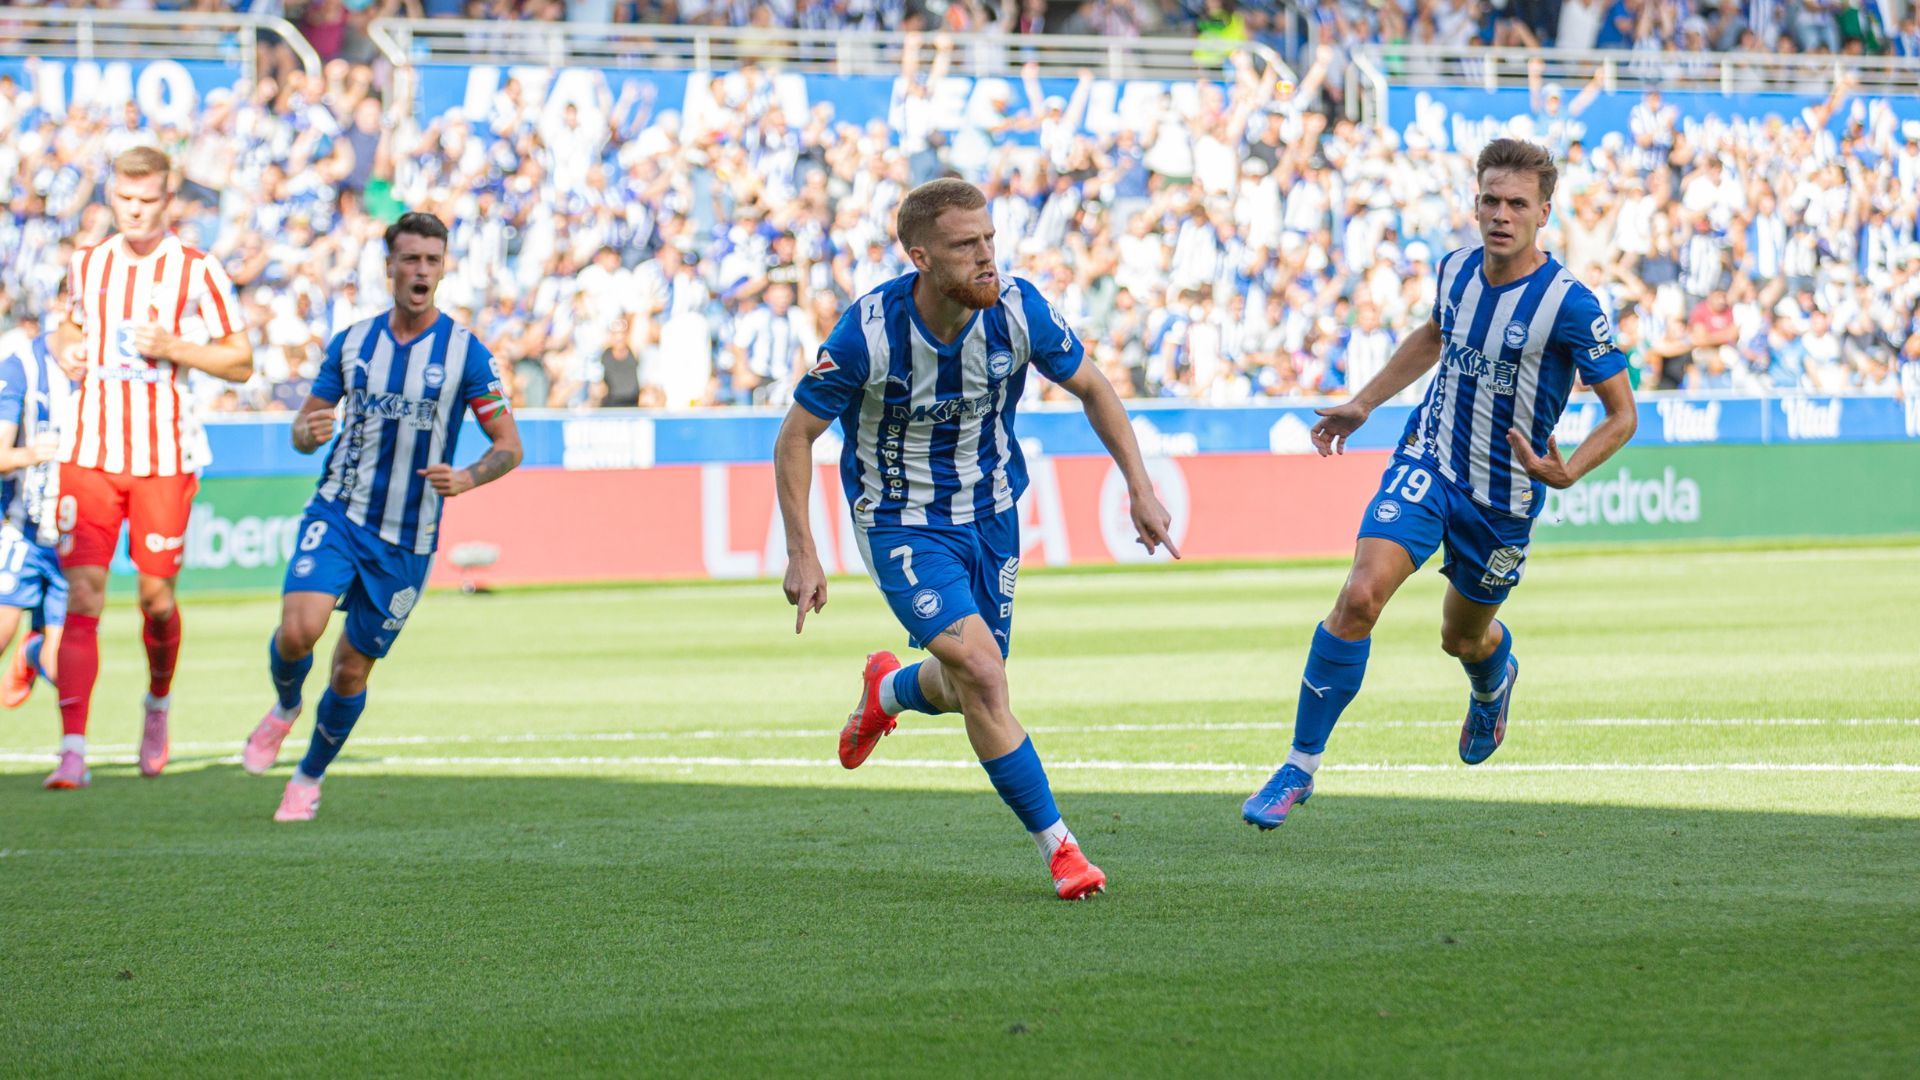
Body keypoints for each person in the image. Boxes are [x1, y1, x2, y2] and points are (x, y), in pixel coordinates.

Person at [774, 178, 1178, 900]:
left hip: (992, 513)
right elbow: (796, 435)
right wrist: (804, 549)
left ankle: (887, 692)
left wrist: (1140, 488)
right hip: (900, 521)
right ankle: (1062, 852)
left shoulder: (1020, 309)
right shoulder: (868, 332)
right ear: (921, 258)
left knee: (971, 685)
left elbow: (1093, 386)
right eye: (967, 247)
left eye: (990, 239)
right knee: (986, 676)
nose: (987, 258)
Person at [1242, 139, 1639, 830]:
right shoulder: (1455, 270)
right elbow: (1434, 335)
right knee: (1359, 596)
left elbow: (1622, 413)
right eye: (1490, 199)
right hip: (1427, 464)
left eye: (1517, 203)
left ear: (1544, 212)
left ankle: (1493, 679)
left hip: (1503, 500)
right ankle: (1299, 766)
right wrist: (1364, 402)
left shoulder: (1570, 305)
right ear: (1474, 201)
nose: (1501, 214)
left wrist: (1569, 467)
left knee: (1463, 639)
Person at [237, 213, 523, 822]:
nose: (421, 271)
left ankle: (308, 777)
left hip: (407, 539)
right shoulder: (352, 343)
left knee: (349, 667)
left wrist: (468, 478)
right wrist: (307, 432)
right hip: (340, 511)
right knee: (298, 631)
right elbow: (304, 428)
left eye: (432, 261)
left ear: (442, 269)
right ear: (388, 265)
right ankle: (285, 706)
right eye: (410, 259)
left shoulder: (465, 353)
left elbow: (509, 446)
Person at [43, 146, 252, 790]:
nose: (134, 212)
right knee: (83, 596)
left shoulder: (197, 270)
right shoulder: (88, 263)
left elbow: (240, 362)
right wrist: (66, 345)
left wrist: (177, 348)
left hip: (164, 458)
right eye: (124, 200)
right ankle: (72, 748)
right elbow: (63, 329)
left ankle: (156, 703)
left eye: (147, 201)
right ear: (111, 198)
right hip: (90, 454)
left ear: (169, 202)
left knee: (156, 601)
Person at [0, 316, 72, 712]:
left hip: (71, 539)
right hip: (19, 530)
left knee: (62, 670)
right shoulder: (21, 366)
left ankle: (32, 656)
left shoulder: (107, 372)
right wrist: (33, 453)